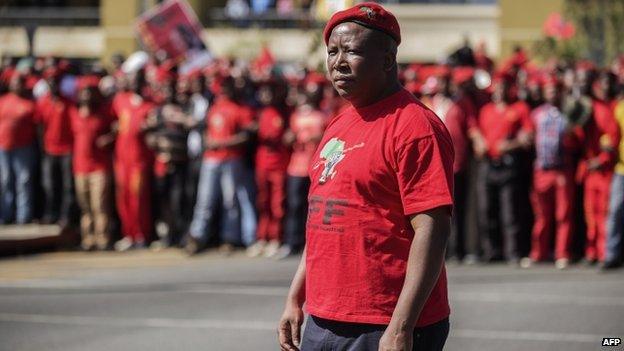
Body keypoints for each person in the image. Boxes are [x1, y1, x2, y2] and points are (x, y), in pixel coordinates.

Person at [278, 3, 454, 350]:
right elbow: (323, 218)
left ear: (388, 60)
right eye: (332, 51)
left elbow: (432, 229)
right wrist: (295, 298)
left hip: (382, 322)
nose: (338, 63)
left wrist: (401, 326)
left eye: (352, 51)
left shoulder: (416, 127)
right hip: (323, 317)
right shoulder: (339, 124)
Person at [185, 76, 253, 255]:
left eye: (226, 86)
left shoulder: (240, 109)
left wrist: (224, 143)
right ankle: (197, 236)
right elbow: (206, 130)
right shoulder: (213, 107)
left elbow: (246, 136)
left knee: (231, 201)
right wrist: (209, 141)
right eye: (220, 86)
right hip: (211, 159)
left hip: (231, 159)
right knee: (204, 200)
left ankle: (230, 237)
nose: (223, 90)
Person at [475, 74, 532, 264]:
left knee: (510, 212)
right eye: (497, 86)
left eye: (503, 87)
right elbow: (477, 133)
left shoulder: (520, 108)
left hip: (508, 165)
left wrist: (512, 144)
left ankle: (512, 252)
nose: (499, 90)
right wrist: (479, 143)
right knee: (486, 211)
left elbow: (528, 137)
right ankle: (491, 251)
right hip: (488, 165)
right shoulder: (485, 110)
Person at [522, 76, 578, 269]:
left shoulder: (568, 115)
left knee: (564, 214)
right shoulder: (537, 114)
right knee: (542, 215)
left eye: (556, 89)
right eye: (549, 90)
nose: (553, 93)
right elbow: (528, 134)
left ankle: (562, 253)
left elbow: (577, 140)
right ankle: (539, 252)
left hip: (562, 170)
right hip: (542, 170)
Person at [277, 73, 327, 259]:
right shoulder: (296, 116)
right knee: (295, 206)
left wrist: (317, 138)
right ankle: (292, 241)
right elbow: (287, 137)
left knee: (313, 208)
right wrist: (291, 137)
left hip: (316, 167)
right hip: (297, 167)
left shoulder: (322, 116)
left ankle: (311, 242)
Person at [112, 69, 156, 251]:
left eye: (137, 80)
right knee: (123, 197)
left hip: (139, 160)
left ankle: (141, 234)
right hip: (122, 160)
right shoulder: (120, 100)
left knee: (139, 198)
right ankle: (128, 234)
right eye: (131, 79)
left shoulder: (149, 106)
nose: (133, 83)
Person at [70, 77, 116, 251]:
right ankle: (88, 239)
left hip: (99, 167)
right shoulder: (74, 114)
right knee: (85, 207)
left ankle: (103, 238)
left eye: (90, 92)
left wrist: (108, 138)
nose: (87, 95)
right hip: (80, 167)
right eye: (84, 92)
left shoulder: (104, 113)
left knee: (100, 205)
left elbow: (116, 128)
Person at [247, 79, 291, 258]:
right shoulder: (261, 113)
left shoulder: (284, 113)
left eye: (269, 92)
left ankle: (275, 238)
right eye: (263, 92)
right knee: (262, 202)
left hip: (279, 165)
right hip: (262, 165)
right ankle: (262, 238)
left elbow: (284, 137)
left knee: (277, 204)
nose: (265, 95)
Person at [36, 67, 75, 225]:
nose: (53, 84)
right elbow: (39, 126)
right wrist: (42, 147)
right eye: (50, 81)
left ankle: (65, 216)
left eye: (56, 81)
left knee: (67, 186)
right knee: (50, 185)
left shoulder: (68, 103)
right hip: (49, 150)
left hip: (66, 150)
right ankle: (51, 214)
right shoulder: (43, 102)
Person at [0, 72, 38, 224]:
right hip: (3, 147)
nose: (17, 85)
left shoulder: (30, 104)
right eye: (14, 82)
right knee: (5, 180)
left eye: (20, 83)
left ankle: (23, 216)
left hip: (24, 147)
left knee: (24, 181)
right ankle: (6, 214)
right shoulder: (3, 101)